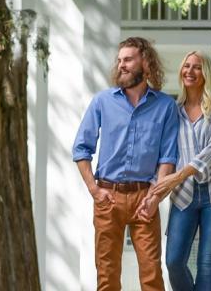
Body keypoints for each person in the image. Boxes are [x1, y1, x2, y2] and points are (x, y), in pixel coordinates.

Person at [72, 37, 181, 291]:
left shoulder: (165, 106)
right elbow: (81, 149)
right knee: (107, 275)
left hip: (146, 196)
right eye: (119, 60)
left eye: (128, 59)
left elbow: (168, 158)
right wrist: (94, 190)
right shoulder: (102, 101)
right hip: (108, 196)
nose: (121, 65)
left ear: (145, 62)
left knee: (152, 274)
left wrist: (155, 197)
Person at [143, 51, 211, 291]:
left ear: (205, 74)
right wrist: (156, 191)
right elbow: (167, 153)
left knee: (206, 265)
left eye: (196, 67)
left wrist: (179, 175)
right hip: (183, 196)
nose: (189, 71)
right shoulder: (174, 110)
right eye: (186, 66)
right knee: (173, 261)